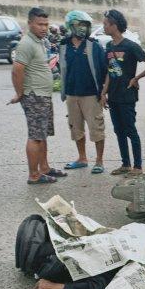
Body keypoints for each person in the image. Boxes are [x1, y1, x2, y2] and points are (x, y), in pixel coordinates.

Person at [8, 7, 67, 184]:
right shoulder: (26, 43)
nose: (44, 28)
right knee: (35, 136)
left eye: (46, 24)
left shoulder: (40, 41)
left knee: (42, 134)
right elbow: (17, 70)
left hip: (43, 96)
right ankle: (34, 175)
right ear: (30, 24)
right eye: (40, 24)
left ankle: (45, 168)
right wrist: (20, 94)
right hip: (34, 96)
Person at [100, 9, 145, 176]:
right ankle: (125, 164)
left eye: (105, 24)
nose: (103, 27)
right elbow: (110, 71)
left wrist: (136, 78)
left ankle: (138, 166)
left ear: (114, 25)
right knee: (119, 131)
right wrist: (104, 93)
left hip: (127, 95)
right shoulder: (109, 46)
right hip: (113, 96)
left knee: (130, 130)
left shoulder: (131, 46)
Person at [59, 10, 108, 174]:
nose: (84, 29)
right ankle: (82, 158)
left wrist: (103, 93)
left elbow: (105, 70)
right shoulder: (64, 46)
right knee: (76, 128)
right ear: (71, 26)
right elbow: (63, 69)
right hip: (72, 95)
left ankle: (99, 161)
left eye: (86, 25)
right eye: (81, 25)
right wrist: (63, 92)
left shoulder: (94, 46)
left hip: (91, 95)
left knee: (97, 128)